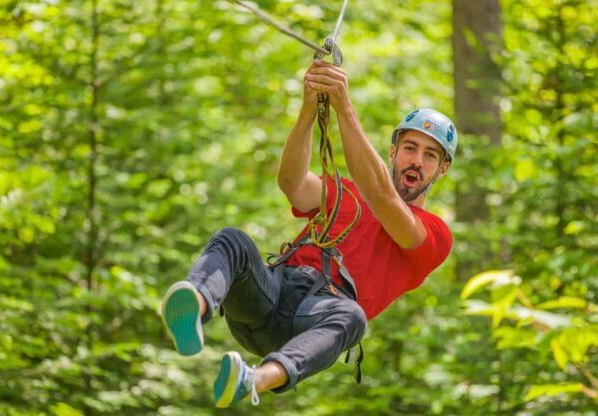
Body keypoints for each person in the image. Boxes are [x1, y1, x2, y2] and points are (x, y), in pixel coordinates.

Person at [160, 59, 456, 408]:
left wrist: (344, 107)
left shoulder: (434, 235)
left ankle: (253, 379)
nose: (416, 161)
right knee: (232, 240)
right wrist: (307, 108)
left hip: (315, 319)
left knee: (352, 317)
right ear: (393, 152)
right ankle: (193, 307)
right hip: (270, 295)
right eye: (409, 148)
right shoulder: (345, 192)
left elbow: (382, 197)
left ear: (442, 169)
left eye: (430, 155)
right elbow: (293, 183)